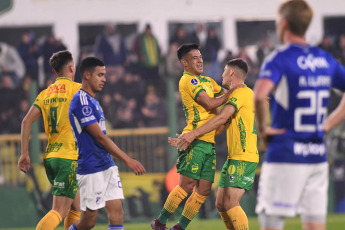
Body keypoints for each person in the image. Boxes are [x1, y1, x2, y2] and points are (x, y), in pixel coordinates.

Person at [253, 1, 345, 230]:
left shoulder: (279, 58)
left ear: (283, 24)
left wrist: (264, 130)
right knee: (315, 226)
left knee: (271, 223)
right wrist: (327, 125)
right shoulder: (325, 59)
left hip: (285, 152)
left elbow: (258, 95)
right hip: (316, 155)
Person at [151, 43, 232, 230]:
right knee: (186, 185)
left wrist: (248, 96)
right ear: (184, 63)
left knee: (203, 190)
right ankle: (159, 222)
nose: (200, 60)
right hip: (195, 140)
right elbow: (211, 102)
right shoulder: (188, 80)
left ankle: (179, 227)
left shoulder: (209, 81)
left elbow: (228, 96)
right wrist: (233, 94)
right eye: (194, 57)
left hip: (209, 141)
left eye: (200, 56)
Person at [174, 58, 257, 230]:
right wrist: (191, 138)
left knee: (231, 202)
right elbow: (219, 127)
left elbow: (221, 118)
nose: (221, 75)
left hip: (244, 155)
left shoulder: (241, 93)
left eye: (224, 71)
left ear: (232, 73)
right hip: (233, 157)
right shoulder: (239, 95)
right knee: (221, 204)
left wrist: (194, 133)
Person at [68, 57, 146, 230]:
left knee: (117, 213)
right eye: (100, 75)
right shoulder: (81, 101)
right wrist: (128, 160)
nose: (104, 79)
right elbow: (100, 137)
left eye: (105, 75)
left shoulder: (94, 101)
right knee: (89, 221)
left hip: (107, 164)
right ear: (87, 75)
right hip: (90, 167)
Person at [18, 50, 82, 230]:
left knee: (76, 207)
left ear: (54, 72)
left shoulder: (45, 94)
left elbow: (26, 121)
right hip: (67, 157)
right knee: (59, 211)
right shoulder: (77, 90)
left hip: (52, 157)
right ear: (71, 68)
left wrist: (24, 154)